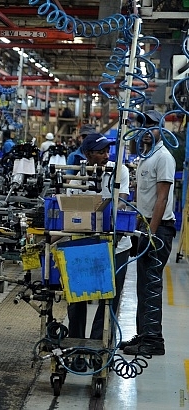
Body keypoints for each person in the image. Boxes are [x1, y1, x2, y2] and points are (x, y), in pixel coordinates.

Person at [120, 109, 176, 356]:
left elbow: (162, 198)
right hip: (144, 227)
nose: (146, 132)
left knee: (151, 285)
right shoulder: (147, 156)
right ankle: (143, 334)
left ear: (161, 129)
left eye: (151, 127)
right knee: (143, 285)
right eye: (142, 127)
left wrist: (151, 234)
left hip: (158, 230)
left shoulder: (163, 157)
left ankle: (154, 341)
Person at [65, 133, 131, 340]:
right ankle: (76, 341)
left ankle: (99, 344)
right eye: (100, 152)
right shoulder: (78, 175)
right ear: (87, 154)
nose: (105, 155)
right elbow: (71, 208)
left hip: (117, 245)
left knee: (109, 298)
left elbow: (123, 200)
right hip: (85, 242)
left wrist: (104, 212)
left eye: (107, 151)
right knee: (77, 295)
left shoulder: (120, 171)